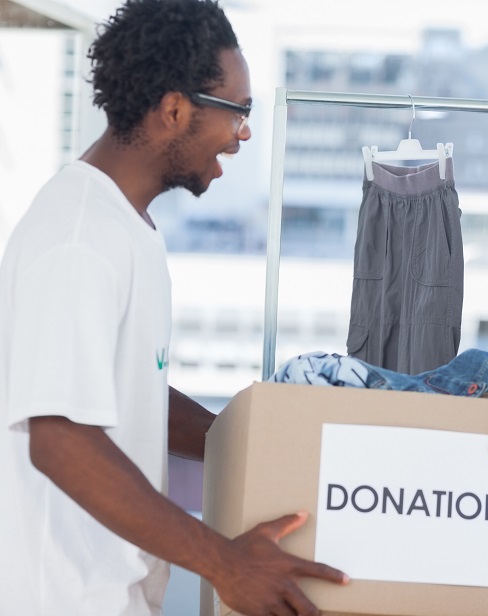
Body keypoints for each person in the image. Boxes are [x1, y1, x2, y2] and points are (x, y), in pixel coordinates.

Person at [0, 1, 348, 614]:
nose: (243, 135)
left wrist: (248, 445)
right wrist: (224, 562)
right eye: (239, 112)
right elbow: (59, 437)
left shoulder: (123, 224)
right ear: (175, 109)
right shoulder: (79, 239)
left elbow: (122, 393)